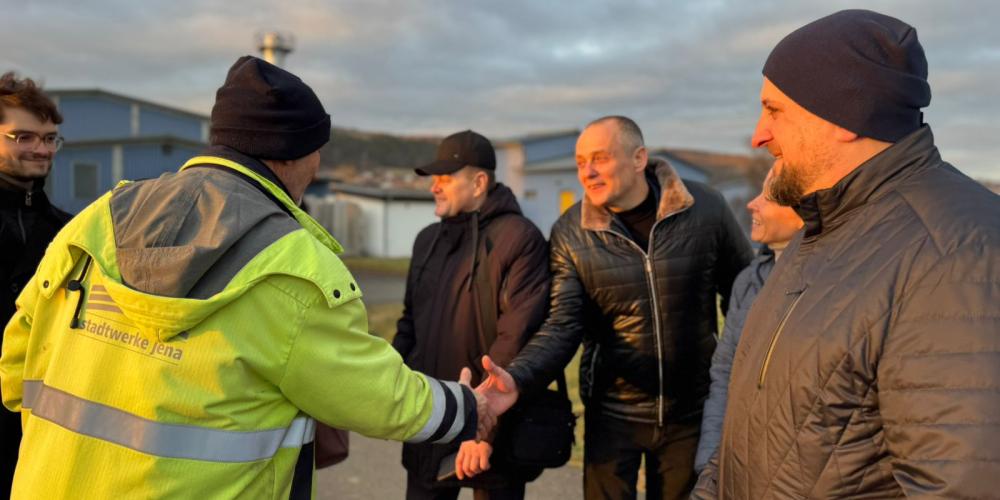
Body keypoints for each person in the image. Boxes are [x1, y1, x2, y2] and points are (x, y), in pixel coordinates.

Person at [0, 56, 498, 499]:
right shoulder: (295, 265)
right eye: (316, 149)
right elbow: (375, 393)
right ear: (293, 154)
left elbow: (19, 353)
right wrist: (467, 408)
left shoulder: (99, 216)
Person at [691, 10, 1000, 498]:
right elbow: (758, 436)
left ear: (845, 115)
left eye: (774, 111)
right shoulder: (822, 231)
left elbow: (961, 484)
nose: (758, 135)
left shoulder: (958, 254)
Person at [484, 115, 753, 499]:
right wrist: (517, 377)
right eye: (580, 163)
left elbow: (743, 297)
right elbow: (562, 325)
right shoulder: (570, 233)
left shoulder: (706, 210)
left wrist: (735, 374)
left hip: (691, 414)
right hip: (613, 415)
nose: (587, 172)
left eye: (600, 159)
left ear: (639, 158)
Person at [392, 130, 550, 500]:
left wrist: (482, 430)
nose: (435, 187)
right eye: (434, 179)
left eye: (446, 178)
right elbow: (408, 326)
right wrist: (388, 395)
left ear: (479, 182)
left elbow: (516, 337)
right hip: (429, 423)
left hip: (493, 431)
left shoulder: (519, 238)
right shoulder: (426, 241)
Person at [693, 168, 802, 473]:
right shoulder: (748, 281)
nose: (752, 204)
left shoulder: (831, 285)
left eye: (769, 197)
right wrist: (709, 463)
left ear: (805, 209)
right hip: (742, 466)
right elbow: (725, 373)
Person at [0, 71, 71, 499]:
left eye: (49, 138)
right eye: (22, 137)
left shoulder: (66, 232)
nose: (41, 149)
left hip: (36, 427)